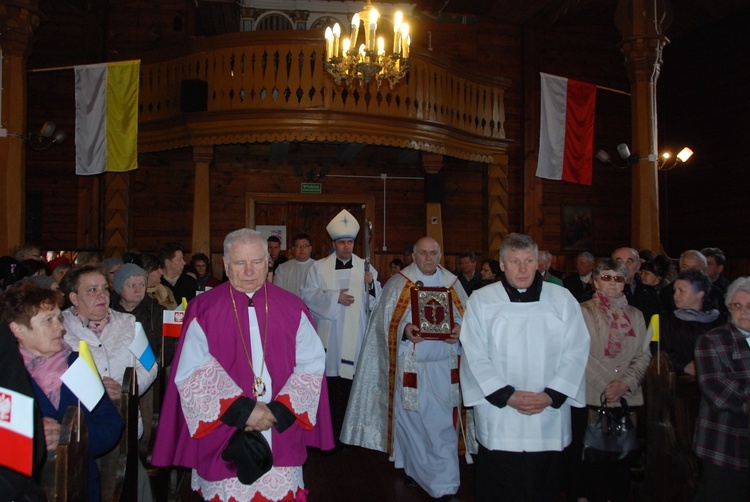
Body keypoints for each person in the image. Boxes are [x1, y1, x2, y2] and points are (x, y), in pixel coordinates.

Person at [152, 228, 334, 502]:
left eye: (257, 262)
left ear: (268, 262)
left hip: (279, 427)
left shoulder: (292, 307)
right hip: (223, 429)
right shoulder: (204, 309)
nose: (249, 271)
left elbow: (311, 364)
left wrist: (277, 411)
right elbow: (192, 370)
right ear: (225, 265)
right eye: (240, 263)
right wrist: (243, 411)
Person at [459, 233, 590, 501]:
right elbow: (473, 354)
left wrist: (551, 395)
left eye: (529, 260)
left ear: (538, 261)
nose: (522, 269)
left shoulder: (562, 299)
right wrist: (506, 395)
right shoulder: (481, 301)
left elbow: (577, 350)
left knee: (544, 487)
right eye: (515, 261)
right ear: (502, 264)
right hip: (500, 415)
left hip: (548, 415)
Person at [341, 237, 471, 501]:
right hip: (411, 369)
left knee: (442, 426)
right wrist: (404, 331)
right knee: (413, 423)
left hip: (444, 369)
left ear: (440, 254)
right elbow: (382, 325)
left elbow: (468, 320)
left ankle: (445, 484)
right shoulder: (400, 283)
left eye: (433, 253)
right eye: (422, 253)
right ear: (414, 255)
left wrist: (460, 330)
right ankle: (414, 468)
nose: (428, 257)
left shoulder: (453, 284)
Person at [0, 282, 124, 502]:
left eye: (59, 318)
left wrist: (70, 438)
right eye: (48, 320)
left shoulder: (75, 365)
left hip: (79, 486)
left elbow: (110, 425)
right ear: (16, 329)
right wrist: (33, 438)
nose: (60, 327)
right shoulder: (7, 374)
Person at [60, 265, 157, 501]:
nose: (102, 295)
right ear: (74, 297)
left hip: (125, 421)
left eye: (104, 288)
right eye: (92, 290)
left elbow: (149, 364)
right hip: (80, 426)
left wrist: (126, 389)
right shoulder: (60, 327)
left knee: (126, 481)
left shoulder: (128, 323)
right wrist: (94, 386)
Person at [569, 259, 651, 501]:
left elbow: (644, 354)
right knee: (590, 466)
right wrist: (608, 384)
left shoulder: (636, 315)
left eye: (618, 278)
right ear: (595, 281)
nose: (613, 283)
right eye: (606, 277)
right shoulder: (582, 311)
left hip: (626, 398)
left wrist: (625, 383)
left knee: (621, 466)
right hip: (592, 397)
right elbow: (578, 353)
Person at [301, 209, 381, 440]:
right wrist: (335, 297)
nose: (346, 247)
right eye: (342, 242)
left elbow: (376, 303)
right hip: (329, 336)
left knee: (350, 387)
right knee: (331, 387)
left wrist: (372, 285)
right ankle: (329, 433)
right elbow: (308, 295)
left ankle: (349, 435)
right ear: (334, 243)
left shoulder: (365, 267)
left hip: (354, 338)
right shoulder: (319, 267)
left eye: (350, 242)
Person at [693, 277, 750, 502]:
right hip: (725, 442)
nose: (743, 312)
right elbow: (718, 390)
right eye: (737, 305)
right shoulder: (713, 340)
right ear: (728, 308)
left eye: (749, 306)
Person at [661, 268, 725, 376]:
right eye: (675, 290)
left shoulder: (718, 320)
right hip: (679, 381)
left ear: (700, 294)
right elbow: (660, 352)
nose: (675, 295)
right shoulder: (668, 321)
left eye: (681, 291)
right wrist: (684, 366)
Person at [111, 263, 165, 365]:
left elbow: (165, 348)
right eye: (132, 286)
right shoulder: (108, 311)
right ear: (119, 288)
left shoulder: (157, 312)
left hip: (148, 368)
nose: (138, 290)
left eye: (142, 285)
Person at [612, 246, 660, 324]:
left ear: (638, 267)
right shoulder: (603, 292)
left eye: (629, 261)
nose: (624, 266)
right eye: (619, 261)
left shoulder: (650, 293)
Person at [273, 233, 314, 298]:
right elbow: (278, 292)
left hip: (311, 307)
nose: (302, 249)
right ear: (293, 248)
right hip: (288, 306)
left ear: (310, 248)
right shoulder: (282, 268)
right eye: (298, 245)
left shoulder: (318, 267)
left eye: (305, 245)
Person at [701, 247, 731, 313]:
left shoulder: (730, 289)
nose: (704, 267)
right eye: (703, 263)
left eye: (709, 264)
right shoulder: (692, 286)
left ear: (720, 268)